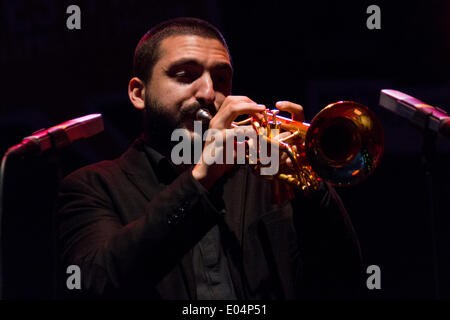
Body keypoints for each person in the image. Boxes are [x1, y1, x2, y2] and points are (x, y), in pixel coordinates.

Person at [55, 17, 363, 300]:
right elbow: (95, 283)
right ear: (139, 93)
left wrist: (309, 180)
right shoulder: (93, 185)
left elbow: (343, 280)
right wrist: (201, 177)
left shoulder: (267, 177)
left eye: (221, 78)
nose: (207, 92)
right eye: (185, 75)